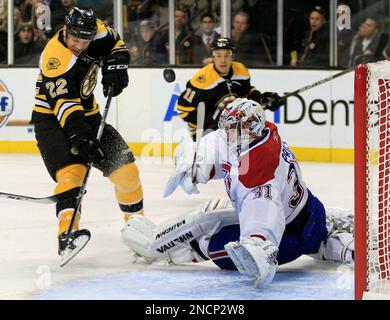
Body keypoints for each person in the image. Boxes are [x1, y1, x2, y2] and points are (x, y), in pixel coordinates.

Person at [121, 98, 355, 289]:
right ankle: (326, 234)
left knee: (212, 243)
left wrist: (259, 243)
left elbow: (264, 214)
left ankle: (169, 252)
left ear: (249, 130)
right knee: (209, 213)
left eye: (232, 129)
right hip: (310, 209)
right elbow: (219, 145)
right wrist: (196, 161)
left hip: (289, 238)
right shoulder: (262, 134)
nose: (226, 133)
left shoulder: (258, 173)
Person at [31, 7, 144, 265]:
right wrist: (82, 140)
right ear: (66, 31)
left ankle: (138, 230)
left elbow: (116, 44)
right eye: (75, 40)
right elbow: (66, 108)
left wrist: (116, 68)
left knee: (127, 172)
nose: (80, 46)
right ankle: (66, 235)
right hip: (52, 121)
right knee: (73, 173)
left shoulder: (98, 31)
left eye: (85, 40)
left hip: (89, 114)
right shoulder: (55, 58)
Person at [176, 37, 284, 140]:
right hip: (205, 133)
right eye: (218, 56)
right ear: (213, 58)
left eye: (227, 55)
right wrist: (209, 123)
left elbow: (246, 93)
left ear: (232, 57)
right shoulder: (202, 79)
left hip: (231, 128)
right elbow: (183, 109)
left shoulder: (240, 70)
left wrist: (262, 99)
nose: (223, 60)